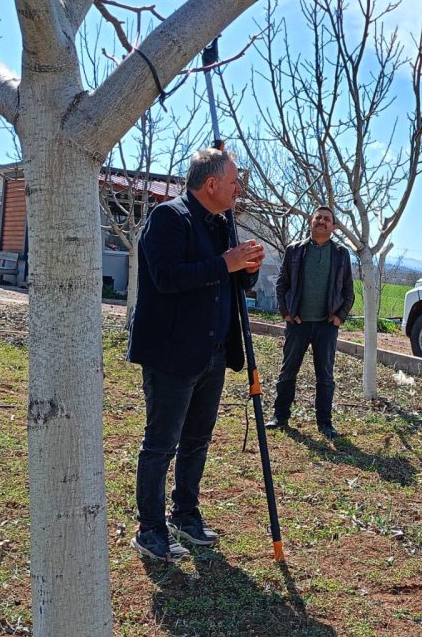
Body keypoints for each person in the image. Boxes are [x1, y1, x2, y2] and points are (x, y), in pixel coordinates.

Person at [126, 148, 264, 562]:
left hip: (213, 352)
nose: (239, 188)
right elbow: (166, 278)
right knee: (161, 444)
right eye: (235, 180)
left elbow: (230, 280)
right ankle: (150, 529)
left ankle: (185, 514)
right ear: (211, 184)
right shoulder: (169, 218)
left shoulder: (222, 225)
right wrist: (225, 263)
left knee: (197, 440)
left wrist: (247, 267)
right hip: (172, 353)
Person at [265, 206, 355, 438]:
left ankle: (325, 423)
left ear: (334, 227)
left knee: (325, 376)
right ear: (311, 222)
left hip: (326, 325)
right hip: (298, 323)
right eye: (318, 218)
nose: (322, 221)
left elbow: (348, 291)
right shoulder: (294, 250)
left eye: (327, 219)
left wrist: (339, 316)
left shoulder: (341, 254)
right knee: (288, 371)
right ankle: (280, 416)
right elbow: (282, 283)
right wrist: (286, 312)